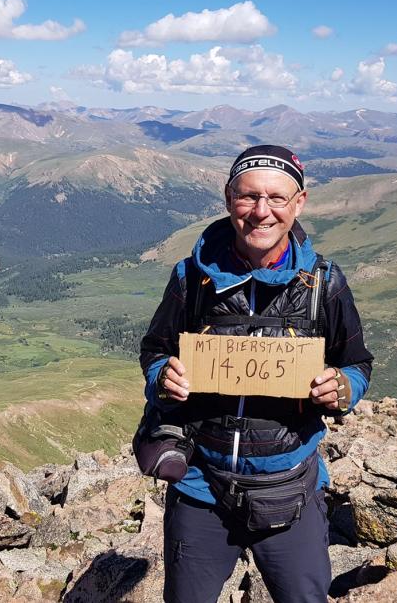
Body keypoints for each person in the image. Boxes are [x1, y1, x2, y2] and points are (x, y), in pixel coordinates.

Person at [139, 145, 374, 602]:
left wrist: (344, 389)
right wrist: (161, 375)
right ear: (229, 198)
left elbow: (357, 363)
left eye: (277, 199)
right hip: (201, 485)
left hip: (290, 489)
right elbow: (155, 351)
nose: (261, 212)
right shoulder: (191, 279)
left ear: (299, 202)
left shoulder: (324, 283)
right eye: (248, 198)